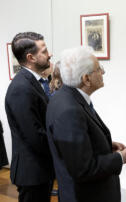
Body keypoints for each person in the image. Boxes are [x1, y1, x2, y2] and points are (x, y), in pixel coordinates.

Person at [46, 46, 126, 202]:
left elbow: (75, 148)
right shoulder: (69, 110)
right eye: (99, 69)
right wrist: (119, 158)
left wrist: (105, 144)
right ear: (86, 79)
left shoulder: (68, 98)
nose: (103, 72)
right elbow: (83, 169)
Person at [5, 32, 55, 202]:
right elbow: (35, 136)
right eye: (44, 51)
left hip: (40, 168)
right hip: (32, 172)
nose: (50, 54)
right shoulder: (22, 88)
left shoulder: (34, 81)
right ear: (31, 57)